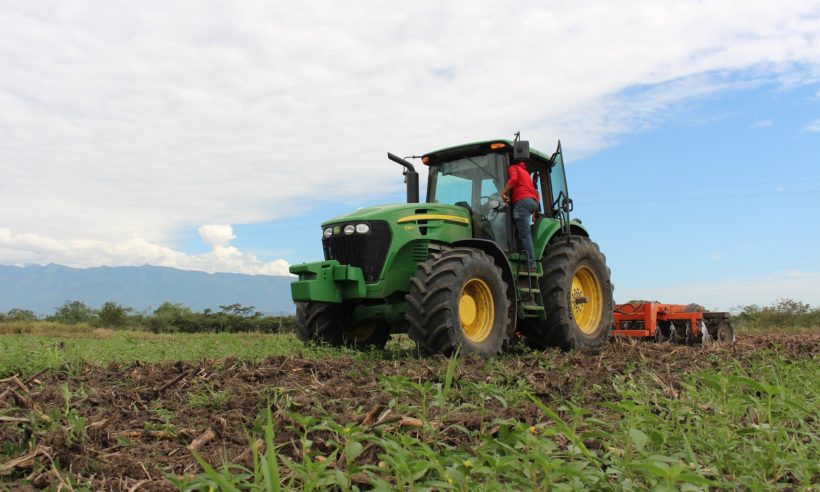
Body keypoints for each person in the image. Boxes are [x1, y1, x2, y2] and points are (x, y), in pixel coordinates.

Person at [501, 160, 539, 272]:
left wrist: (503, 192)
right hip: (532, 202)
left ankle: (531, 264)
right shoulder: (525, 172)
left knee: (524, 234)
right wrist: (535, 212)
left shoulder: (513, 168)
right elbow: (534, 192)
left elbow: (513, 180)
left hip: (522, 202)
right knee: (522, 230)